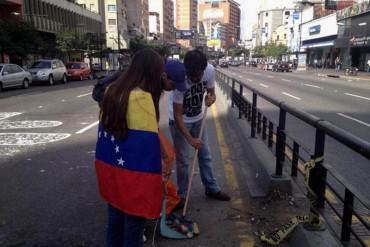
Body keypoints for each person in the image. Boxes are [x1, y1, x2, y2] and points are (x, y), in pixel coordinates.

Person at [95, 48, 165, 247]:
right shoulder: (143, 99)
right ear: (151, 73)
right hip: (134, 177)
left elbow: (105, 137)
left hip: (112, 171)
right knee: (134, 226)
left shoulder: (111, 91)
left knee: (115, 221)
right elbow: (148, 150)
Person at [168, 50, 230, 207]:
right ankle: (182, 196)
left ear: (204, 69)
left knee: (205, 155)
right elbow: (177, 116)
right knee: (183, 161)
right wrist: (191, 140)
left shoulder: (209, 70)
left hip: (198, 119)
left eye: (198, 76)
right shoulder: (179, 78)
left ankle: (211, 188)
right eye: (192, 76)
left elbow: (211, 94)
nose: (195, 79)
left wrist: (211, 99)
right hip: (180, 122)